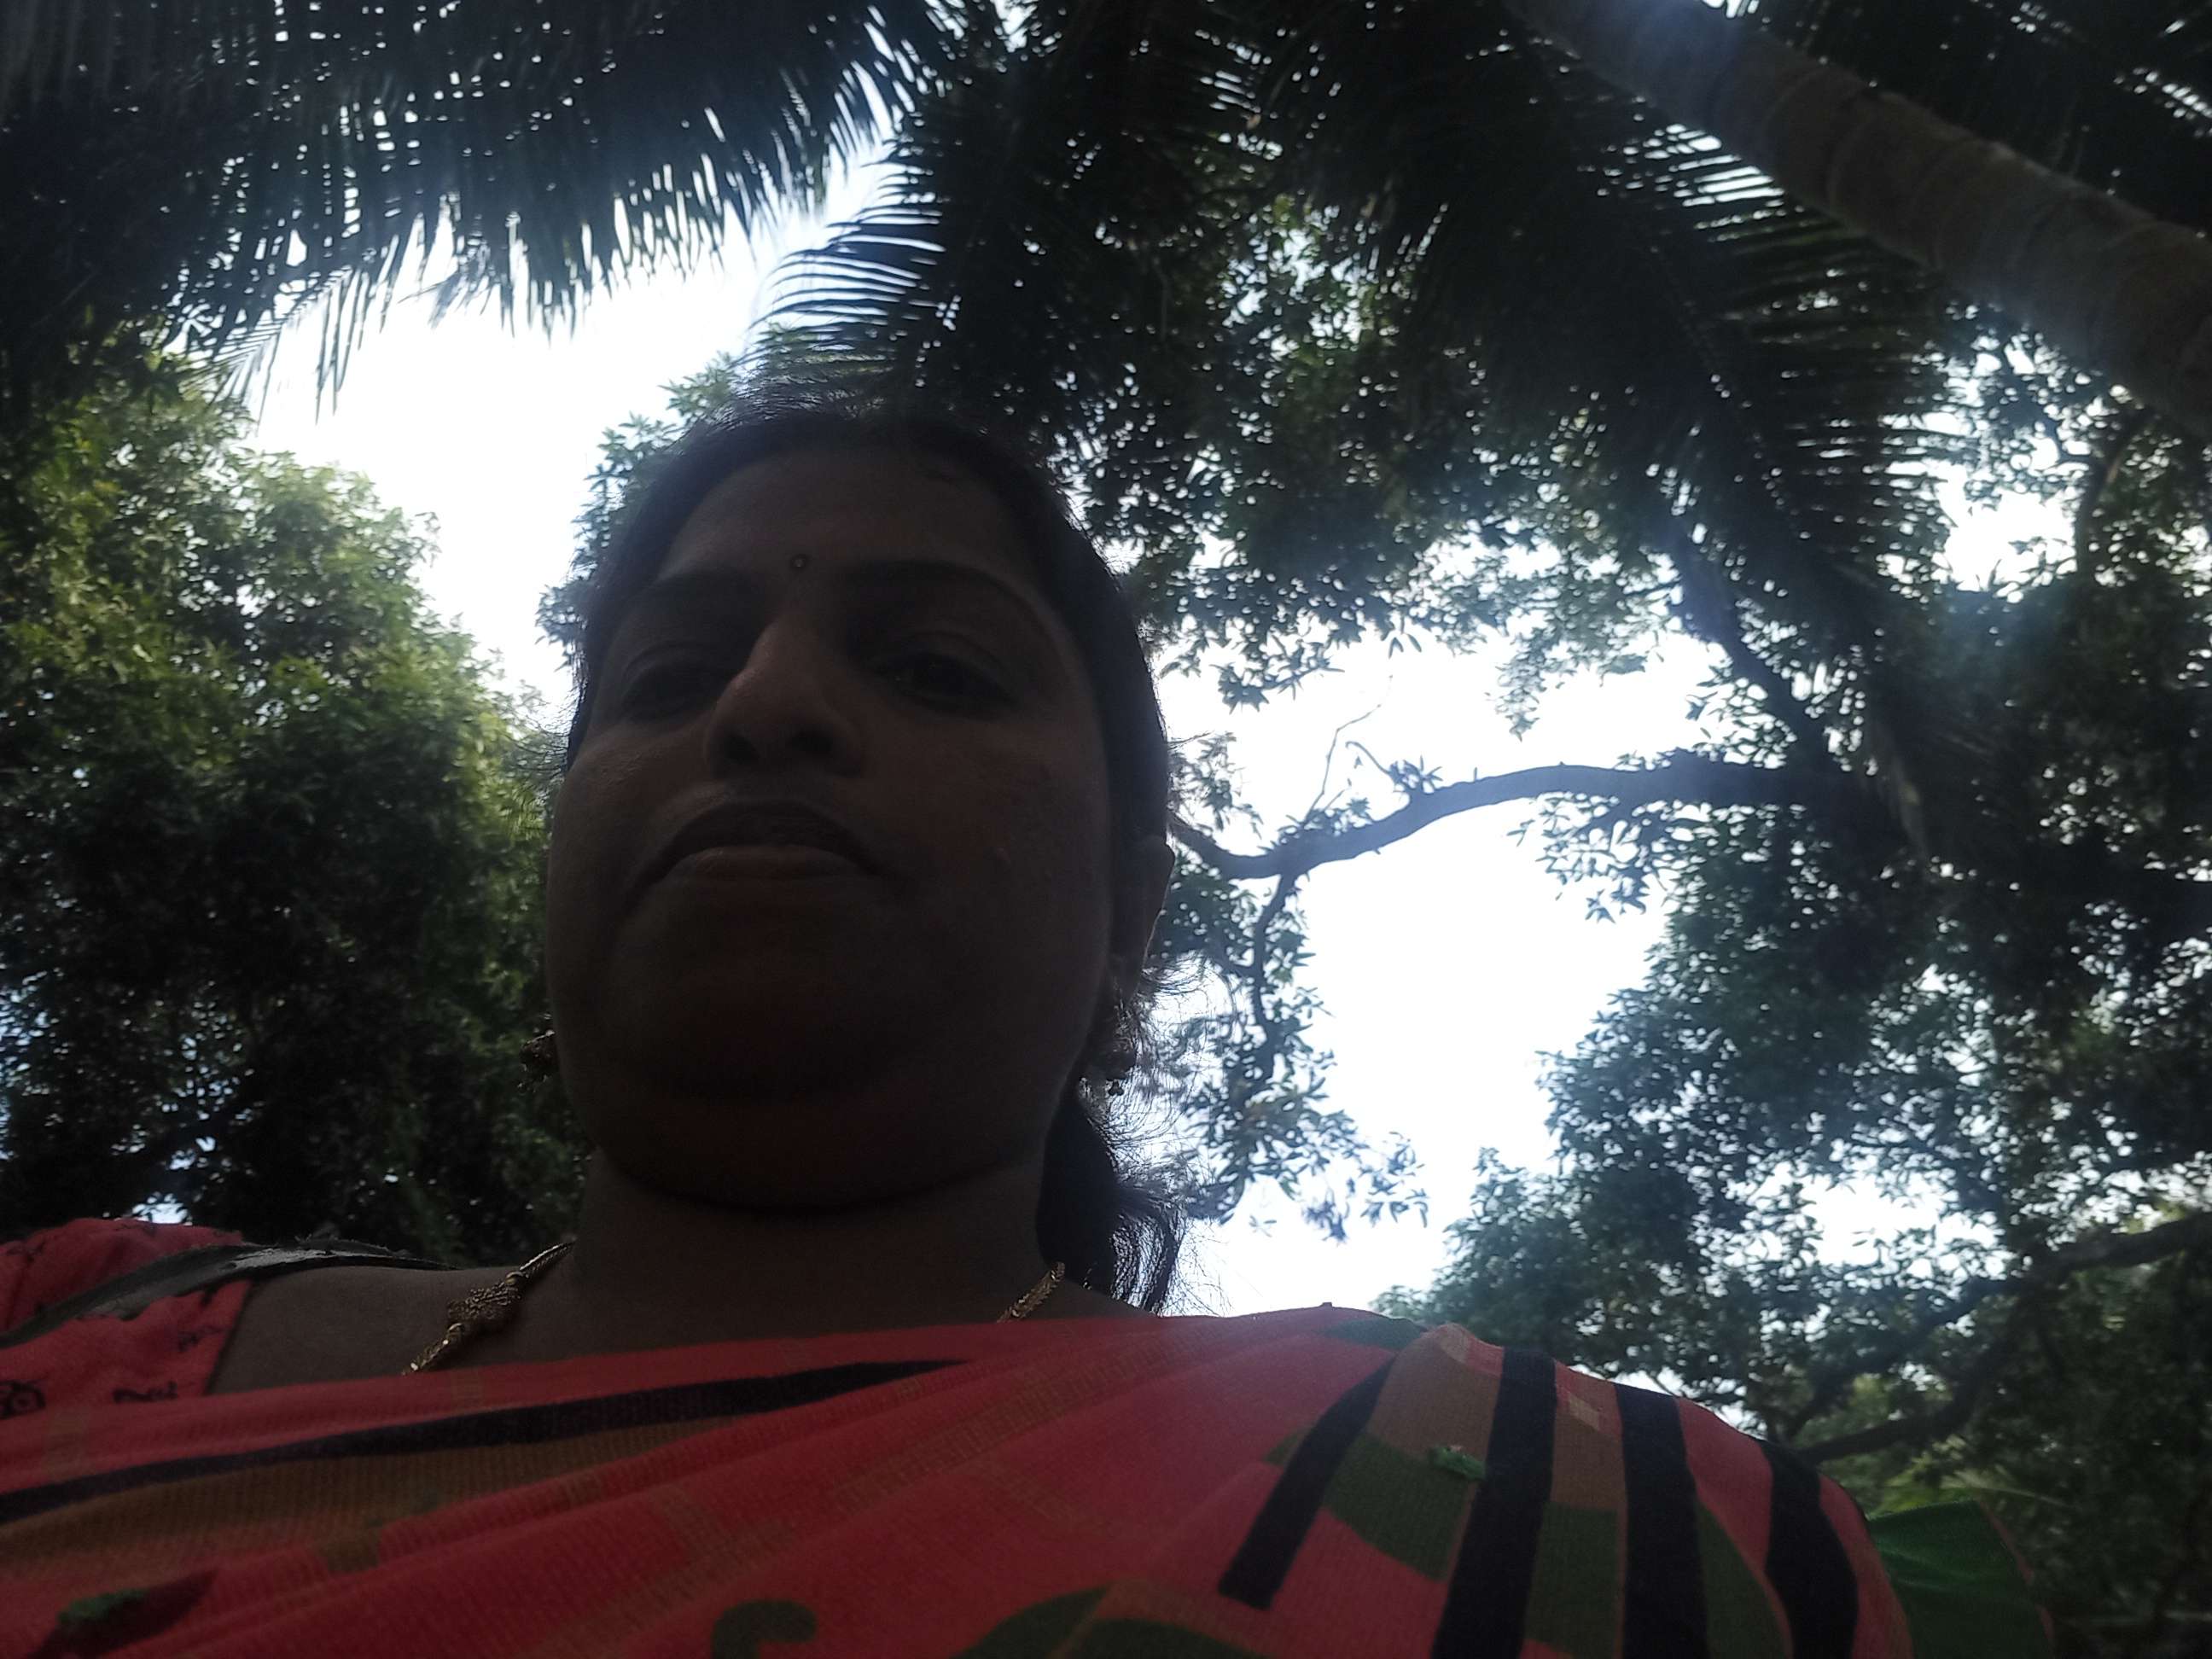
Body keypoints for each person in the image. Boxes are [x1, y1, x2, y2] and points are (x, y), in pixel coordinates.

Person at [1, 389, 2048, 1656]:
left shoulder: (1616, 1540)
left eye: (938, 668)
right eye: (667, 678)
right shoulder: (72, 1333)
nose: (764, 707)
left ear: (1129, 924)